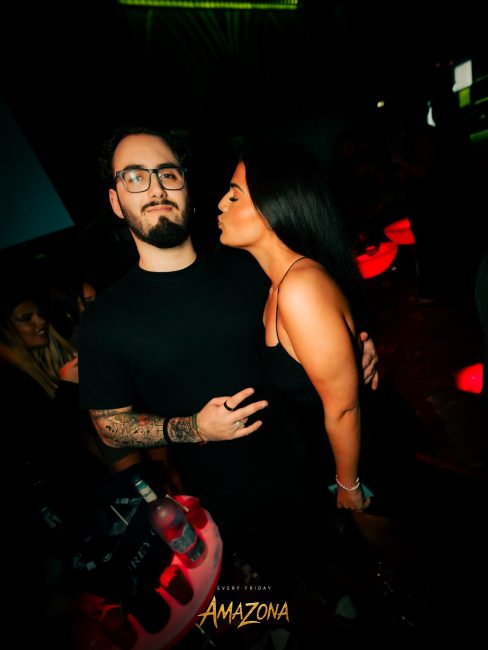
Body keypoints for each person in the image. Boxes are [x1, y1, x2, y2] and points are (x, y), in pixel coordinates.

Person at [78, 126, 379, 624]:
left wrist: (355, 348)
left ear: (187, 187)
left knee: (337, 559)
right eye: (134, 177)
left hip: (306, 461)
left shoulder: (247, 264)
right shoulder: (105, 319)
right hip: (223, 495)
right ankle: (286, 619)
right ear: (115, 200)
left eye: (167, 173)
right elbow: (109, 426)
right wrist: (192, 427)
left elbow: (315, 318)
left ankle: (341, 600)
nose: (156, 188)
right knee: (271, 579)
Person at [217, 139, 423, 626]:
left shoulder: (299, 288)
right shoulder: (279, 284)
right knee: (388, 552)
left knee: (402, 557)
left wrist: (349, 483)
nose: (220, 204)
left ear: (272, 208)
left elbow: (344, 407)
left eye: (234, 195)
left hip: (364, 456)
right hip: (343, 454)